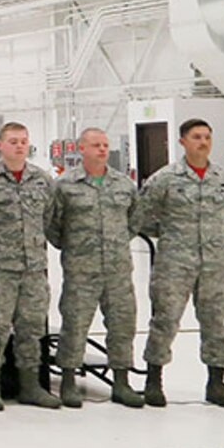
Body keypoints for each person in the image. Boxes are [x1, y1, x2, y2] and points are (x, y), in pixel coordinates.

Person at [133, 117, 224, 408]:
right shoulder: (164, 179)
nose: (203, 142)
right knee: (165, 320)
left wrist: (210, 236)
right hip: (174, 262)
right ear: (182, 141)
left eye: (207, 137)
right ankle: (153, 380)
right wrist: (172, 235)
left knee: (215, 322)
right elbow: (142, 216)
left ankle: (216, 382)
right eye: (196, 137)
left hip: (214, 263)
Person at [0, 123, 58, 410]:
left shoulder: (42, 180)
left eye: (23, 141)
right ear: (0, 145)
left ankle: (30, 385)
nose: (19, 146)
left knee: (31, 329)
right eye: (13, 141)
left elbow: (49, 219)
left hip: (33, 269)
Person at [49, 127, 144, 408]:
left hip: (118, 270)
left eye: (105, 145)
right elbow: (53, 225)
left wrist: (114, 243)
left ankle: (122, 382)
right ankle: (68, 380)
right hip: (81, 270)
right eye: (95, 145)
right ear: (82, 149)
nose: (102, 150)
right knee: (75, 325)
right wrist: (75, 248)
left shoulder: (124, 184)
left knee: (122, 324)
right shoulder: (65, 185)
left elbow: (134, 220)